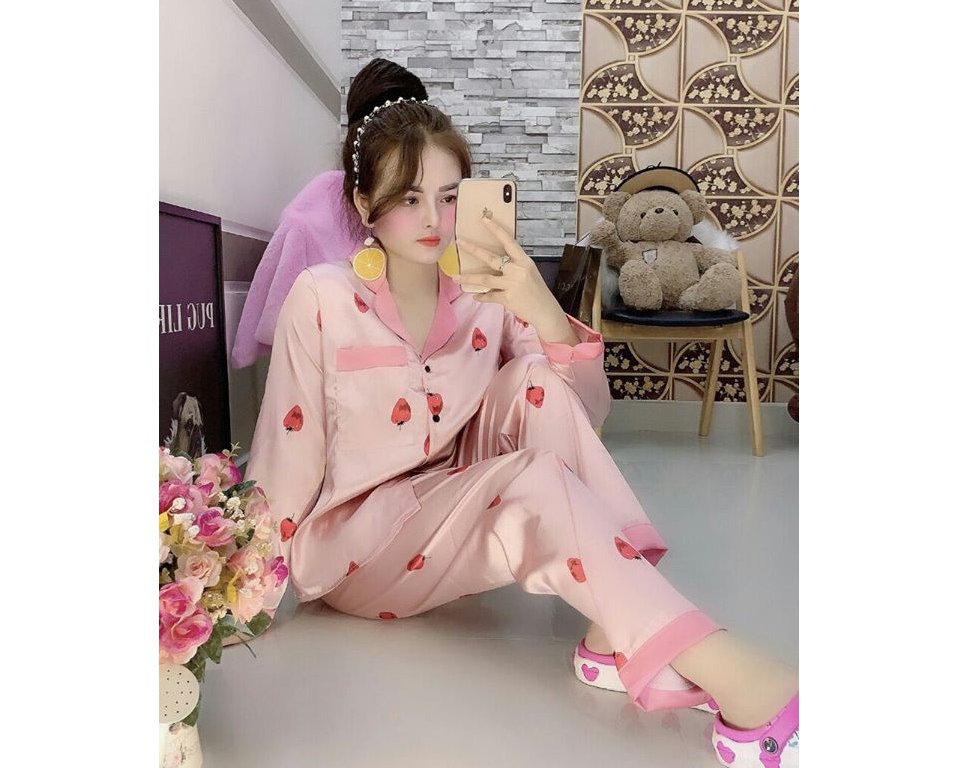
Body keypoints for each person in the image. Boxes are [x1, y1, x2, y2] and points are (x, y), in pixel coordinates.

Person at [242, 58, 799, 767]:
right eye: (408, 198)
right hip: (362, 551)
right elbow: (285, 455)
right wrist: (242, 594)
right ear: (362, 203)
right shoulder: (321, 297)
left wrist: (543, 310)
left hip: (457, 503)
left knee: (536, 377)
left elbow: (582, 413)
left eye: (448, 197)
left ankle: (617, 622)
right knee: (531, 479)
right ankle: (723, 667)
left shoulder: (483, 294)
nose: (434, 220)